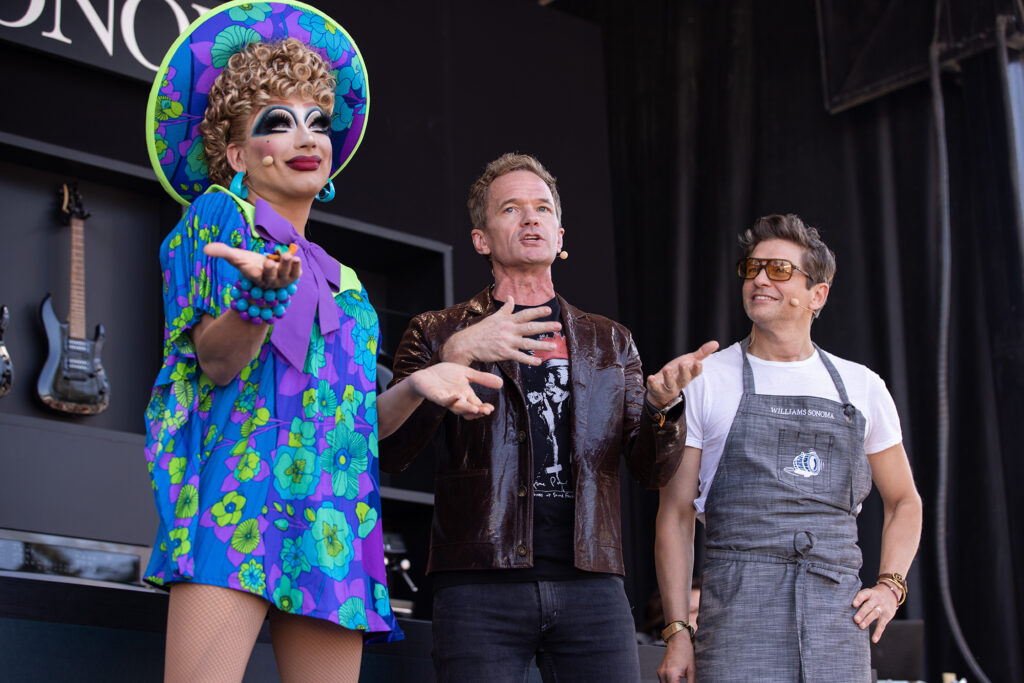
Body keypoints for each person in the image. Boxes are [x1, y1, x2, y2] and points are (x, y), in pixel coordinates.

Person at [142, 4, 501, 681]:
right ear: (235, 153)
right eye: (276, 121)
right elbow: (216, 363)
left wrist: (417, 384)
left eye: (316, 120)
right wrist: (257, 301)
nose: (306, 135)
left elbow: (360, 425)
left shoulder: (349, 283)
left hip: (331, 518)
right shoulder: (221, 218)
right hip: (238, 500)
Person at [380, 153, 717, 682]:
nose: (530, 218)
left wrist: (661, 408)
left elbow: (649, 472)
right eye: (511, 208)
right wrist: (458, 355)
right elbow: (391, 452)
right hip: (478, 581)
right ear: (481, 239)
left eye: (542, 209)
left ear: (561, 236)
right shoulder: (436, 330)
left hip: (592, 582)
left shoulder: (611, 340)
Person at [655, 214, 923, 682]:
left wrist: (891, 586)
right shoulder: (707, 379)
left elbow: (905, 501)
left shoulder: (862, 387)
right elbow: (675, 514)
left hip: (837, 620)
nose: (759, 279)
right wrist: (678, 631)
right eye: (752, 268)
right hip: (736, 617)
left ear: (817, 295)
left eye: (778, 269)